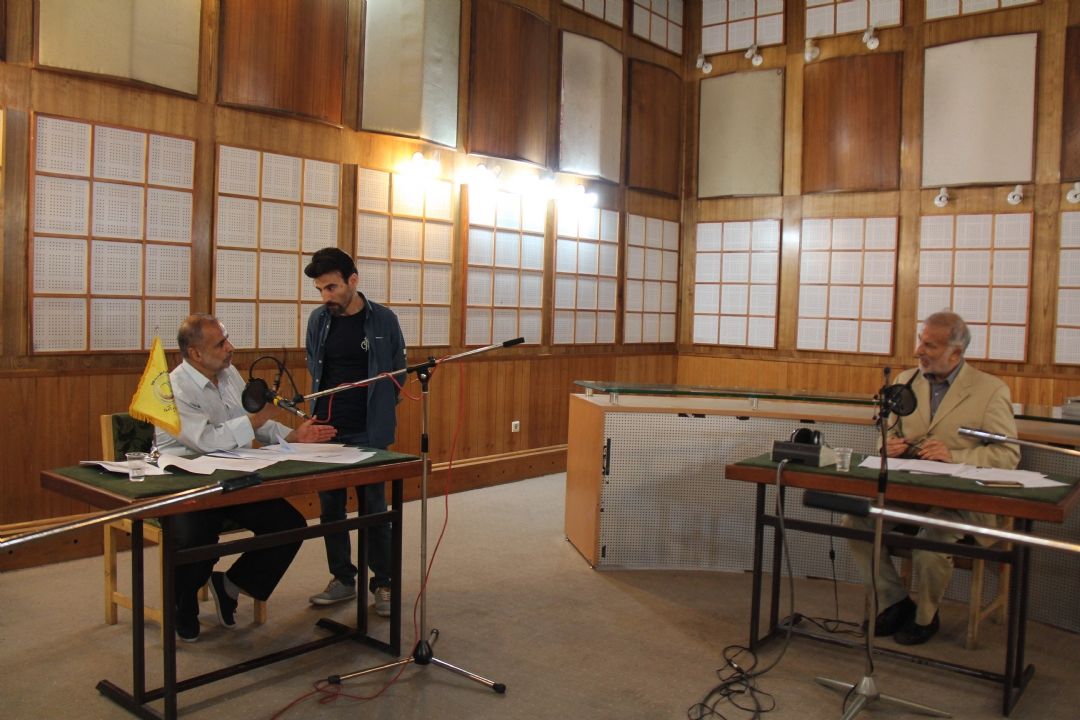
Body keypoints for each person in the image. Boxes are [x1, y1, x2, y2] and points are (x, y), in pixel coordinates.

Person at [157, 314, 338, 642]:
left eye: (227, 339)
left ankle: (229, 585)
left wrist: (292, 436)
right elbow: (205, 441)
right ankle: (182, 603)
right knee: (195, 538)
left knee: (289, 525)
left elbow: (254, 421)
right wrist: (255, 421)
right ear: (195, 353)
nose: (230, 348)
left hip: (233, 475)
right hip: (187, 481)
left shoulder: (228, 375)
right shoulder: (172, 387)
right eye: (220, 344)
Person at [844, 310, 1020, 645]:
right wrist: (888, 446)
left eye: (930, 346)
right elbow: (888, 432)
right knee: (855, 521)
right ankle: (895, 602)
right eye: (920, 341)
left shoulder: (990, 390)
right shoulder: (906, 380)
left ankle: (925, 617)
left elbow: (1008, 455)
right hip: (909, 494)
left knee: (931, 540)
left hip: (961, 503)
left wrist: (955, 456)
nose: (918, 351)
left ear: (956, 353)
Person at [303, 248, 407, 617]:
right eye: (320, 289)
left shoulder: (384, 319)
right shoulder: (318, 320)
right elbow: (313, 365)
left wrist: (379, 411)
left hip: (368, 430)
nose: (325, 296)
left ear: (353, 281)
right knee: (331, 509)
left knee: (374, 507)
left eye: (331, 287)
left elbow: (399, 372)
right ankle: (343, 578)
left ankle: (384, 582)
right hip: (326, 428)